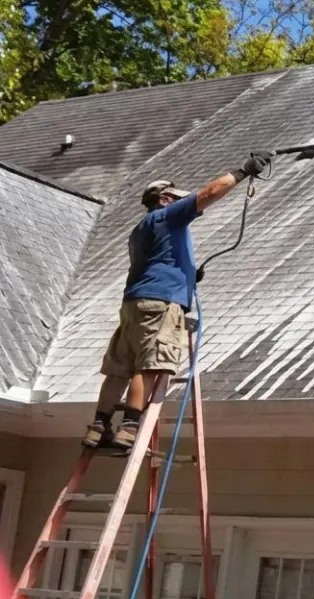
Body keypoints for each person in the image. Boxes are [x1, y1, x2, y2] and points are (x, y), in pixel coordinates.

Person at [82, 152, 274, 450]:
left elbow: (158, 260)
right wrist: (244, 171)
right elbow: (208, 194)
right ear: (164, 199)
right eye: (176, 198)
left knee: (119, 368)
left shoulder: (141, 229)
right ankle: (130, 427)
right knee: (148, 367)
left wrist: (186, 275)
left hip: (134, 304)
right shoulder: (167, 215)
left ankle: (98, 426)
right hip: (160, 303)